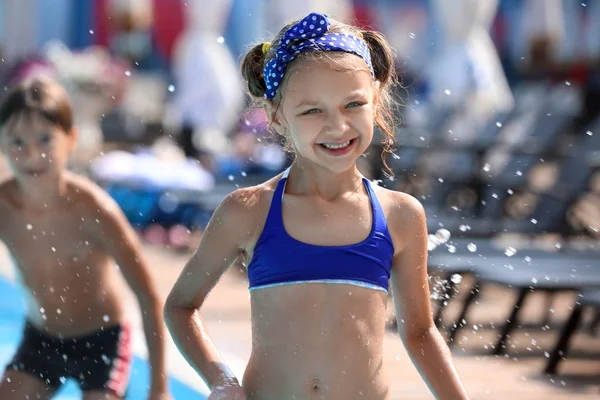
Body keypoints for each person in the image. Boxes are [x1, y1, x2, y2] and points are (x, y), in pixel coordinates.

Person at [164, 12, 470, 400]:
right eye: (312, 111)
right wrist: (221, 380)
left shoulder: (400, 216)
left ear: (376, 102)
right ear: (276, 116)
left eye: (352, 105)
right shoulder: (249, 211)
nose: (337, 126)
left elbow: (420, 332)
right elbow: (180, 306)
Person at [0, 77, 171, 400]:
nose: (32, 153)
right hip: (41, 339)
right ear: (2, 144)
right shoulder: (4, 207)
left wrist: (159, 387)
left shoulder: (95, 210)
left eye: (44, 139)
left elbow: (148, 296)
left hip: (103, 341)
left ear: (71, 139)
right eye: (17, 142)